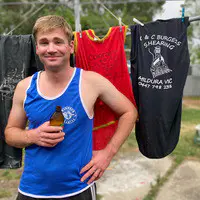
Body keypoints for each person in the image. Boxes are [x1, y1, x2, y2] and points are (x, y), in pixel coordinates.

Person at [5, 15, 138, 200]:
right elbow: (10, 133)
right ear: (37, 48)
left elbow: (129, 111)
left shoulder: (91, 82)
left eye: (58, 41)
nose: (51, 49)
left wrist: (108, 154)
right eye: (44, 43)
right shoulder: (25, 87)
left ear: (71, 46)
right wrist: (32, 135)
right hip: (31, 189)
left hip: (78, 188)